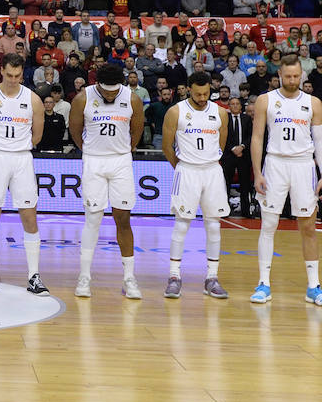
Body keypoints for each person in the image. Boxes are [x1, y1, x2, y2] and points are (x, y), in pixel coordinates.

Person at [249, 55, 322, 306]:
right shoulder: (266, 100)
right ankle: (263, 283)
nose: (292, 80)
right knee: (268, 224)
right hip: (275, 164)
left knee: (308, 227)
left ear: (302, 75)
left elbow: (319, 141)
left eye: (296, 76)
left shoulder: (314, 103)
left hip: (303, 166)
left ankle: (314, 287)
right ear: (280, 75)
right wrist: (257, 172)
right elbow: (257, 138)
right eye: (288, 76)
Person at [0, 54, 47, 296]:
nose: (13, 80)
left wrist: (17, 147)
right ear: (1, 71)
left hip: (22, 159)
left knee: (29, 216)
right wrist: (1, 147)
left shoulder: (33, 99)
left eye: (17, 76)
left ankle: (34, 276)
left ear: (22, 74)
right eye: (9, 75)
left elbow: (37, 136)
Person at [70, 64, 145, 299]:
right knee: (93, 218)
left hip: (120, 161)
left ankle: (129, 278)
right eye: (106, 92)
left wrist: (122, 151)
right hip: (94, 161)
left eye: (114, 91)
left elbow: (137, 131)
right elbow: (75, 130)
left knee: (123, 218)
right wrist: (91, 151)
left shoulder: (132, 99)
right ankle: (84, 277)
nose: (111, 95)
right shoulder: (83, 98)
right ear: (98, 85)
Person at [161, 70, 230, 300]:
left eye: (206, 93)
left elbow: (221, 145)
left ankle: (212, 277)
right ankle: (173, 276)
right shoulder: (175, 112)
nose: (202, 98)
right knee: (182, 224)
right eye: (198, 94)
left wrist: (207, 162)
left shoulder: (220, 112)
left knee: (214, 225)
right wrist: (182, 167)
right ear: (189, 89)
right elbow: (167, 147)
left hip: (212, 171)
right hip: (187, 170)